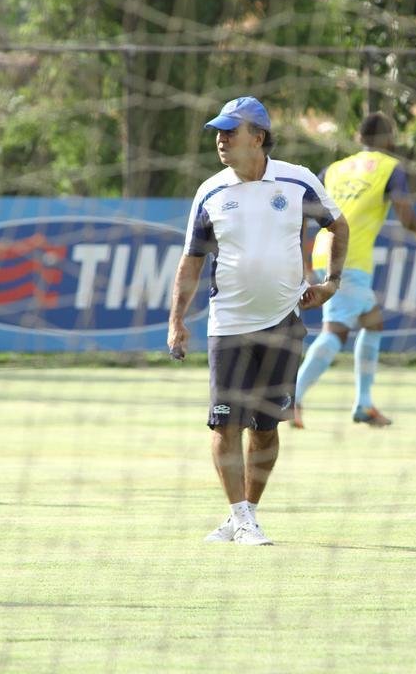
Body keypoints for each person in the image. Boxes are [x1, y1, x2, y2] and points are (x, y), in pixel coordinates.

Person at [168, 96, 349, 545]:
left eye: (231, 131)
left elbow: (338, 226)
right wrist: (177, 321)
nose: (221, 139)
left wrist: (332, 283)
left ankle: (244, 516)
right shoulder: (210, 191)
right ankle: (240, 514)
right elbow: (190, 262)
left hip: (283, 323)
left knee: (265, 429)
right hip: (227, 325)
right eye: (218, 131)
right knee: (224, 423)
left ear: (259, 137)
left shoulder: (297, 181)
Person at [293, 111, 416, 429]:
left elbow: (303, 212)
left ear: (357, 138)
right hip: (349, 258)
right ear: (390, 140)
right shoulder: (391, 168)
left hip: (328, 251)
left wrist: (304, 259)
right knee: (335, 331)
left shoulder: (334, 169)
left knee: (372, 322)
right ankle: (291, 398)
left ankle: (364, 404)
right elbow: (405, 215)